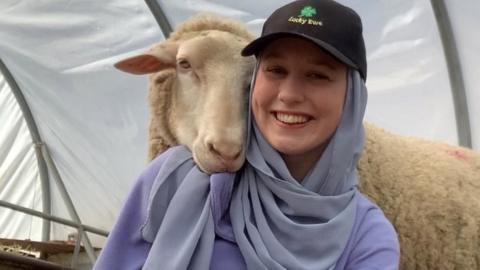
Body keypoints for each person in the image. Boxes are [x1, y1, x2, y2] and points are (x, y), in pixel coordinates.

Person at [93, 0, 400, 269]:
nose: (289, 94)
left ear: (353, 98)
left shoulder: (367, 238)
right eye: (275, 70)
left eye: (317, 75)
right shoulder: (170, 180)